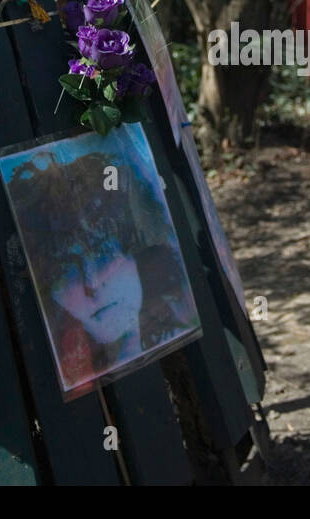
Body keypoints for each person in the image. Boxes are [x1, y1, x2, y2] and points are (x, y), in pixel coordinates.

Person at [11, 151, 197, 392]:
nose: (92, 282)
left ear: (134, 249)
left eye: (103, 252)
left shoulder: (183, 316)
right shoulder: (57, 372)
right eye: (66, 268)